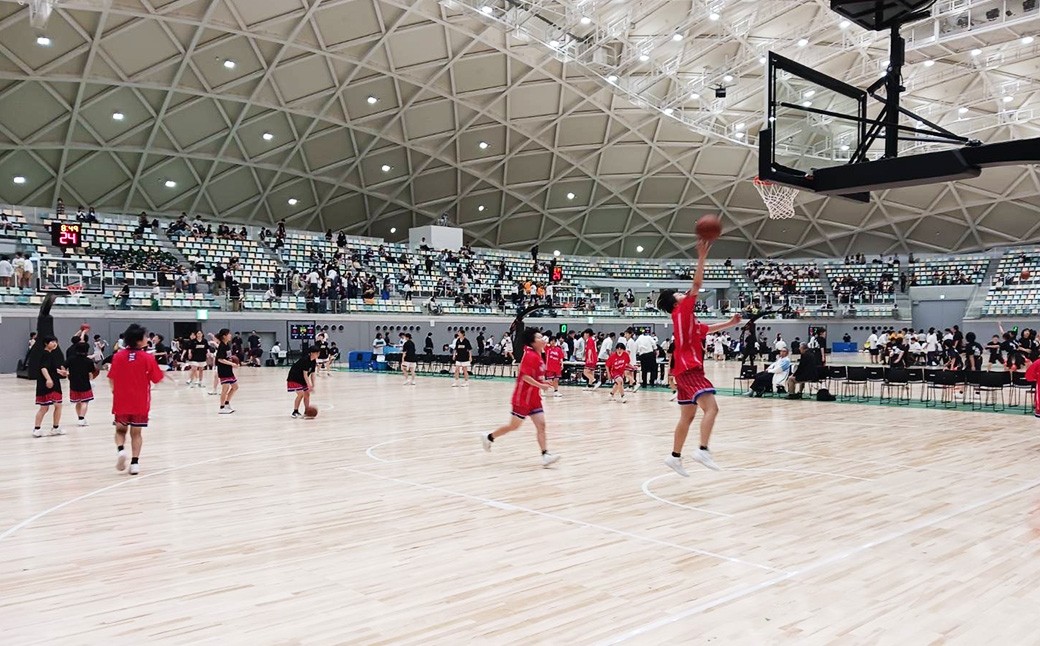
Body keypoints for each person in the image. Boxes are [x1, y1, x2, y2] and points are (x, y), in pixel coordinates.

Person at [657, 239, 742, 476]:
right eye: (678, 294)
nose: (683, 295)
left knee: (688, 415)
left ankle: (674, 457)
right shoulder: (682, 311)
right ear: (675, 302)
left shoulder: (688, 320)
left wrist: (730, 323)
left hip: (683, 371)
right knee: (712, 409)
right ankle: (703, 449)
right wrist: (702, 256)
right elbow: (696, 284)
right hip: (690, 369)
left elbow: (707, 329)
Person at [480, 328, 559, 467]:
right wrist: (541, 386)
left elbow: (536, 377)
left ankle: (545, 454)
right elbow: (525, 376)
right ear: (533, 342)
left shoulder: (539, 355)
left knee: (541, 425)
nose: (543, 339)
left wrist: (543, 383)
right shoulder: (530, 356)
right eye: (539, 337)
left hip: (534, 399)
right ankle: (489, 437)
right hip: (522, 398)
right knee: (513, 426)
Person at [108, 324, 165, 475]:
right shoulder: (147, 358)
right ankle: (134, 463)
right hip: (140, 401)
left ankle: (121, 450)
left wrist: (115, 392)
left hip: (121, 400)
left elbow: (111, 378)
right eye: (145, 337)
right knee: (136, 433)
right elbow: (157, 378)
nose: (147, 339)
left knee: (120, 430)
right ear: (139, 341)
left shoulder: (117, 356)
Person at [33, 336, 67, 437]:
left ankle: (39, 429)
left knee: (46, 407)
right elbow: (43, 368)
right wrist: (48, 379)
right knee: (49, 407)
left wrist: (61, 372)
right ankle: (52, 428)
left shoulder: (49, 354)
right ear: (46, 344)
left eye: (55, 341)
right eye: (52, 342)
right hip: (49, 383)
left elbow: (51, 368)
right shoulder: (46, 354)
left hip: (49, 382)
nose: (54, 343)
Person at [67, 342, 98, 426]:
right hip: (85, 383)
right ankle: (82, 418)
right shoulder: (88, 361)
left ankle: (79, 418)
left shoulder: (70, 359)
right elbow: (92, 371)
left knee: (78, 402)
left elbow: (64, 366)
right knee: (85, 402)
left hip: (73, 383)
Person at [288, 346, 319, 418]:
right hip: (294, 377)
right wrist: (309, 385)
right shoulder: (305, 360)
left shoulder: (314, 361)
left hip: (302, 378)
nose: (318, 354)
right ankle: (295, 411)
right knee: (301, 394)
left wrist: (313, 385)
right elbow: (305, 375)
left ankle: (306, 411)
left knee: (307, 394)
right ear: (312, 353)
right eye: (316, 353)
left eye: (318, 353)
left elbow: (313, 374)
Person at [215, 328, 239, 414]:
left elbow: (228, 357)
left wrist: (233, 362)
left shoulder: (227, 345)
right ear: (224, 336)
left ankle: (227, 403)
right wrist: (232, 364)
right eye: (229, 334)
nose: (230, 335)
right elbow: (220, 359)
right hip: (223, 370)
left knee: (235, 387)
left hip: (228, 369)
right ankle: (221, 407)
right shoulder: (221, 346)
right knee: (225, 389)